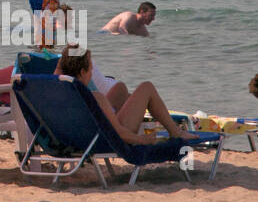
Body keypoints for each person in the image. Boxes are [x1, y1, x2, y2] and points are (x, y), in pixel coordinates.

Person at [58, 49, 195, 141]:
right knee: (146, 87)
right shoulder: (95, 98)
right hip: (109, 138)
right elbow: (121, 134)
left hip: (85, 136)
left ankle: (149, 115)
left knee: (120, 89)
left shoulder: (62, 93)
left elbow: (60, 69)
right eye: (90, 67)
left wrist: (69, 56)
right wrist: (144, 140)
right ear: (82, 72)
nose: (92, 70)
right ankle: (176, 132)